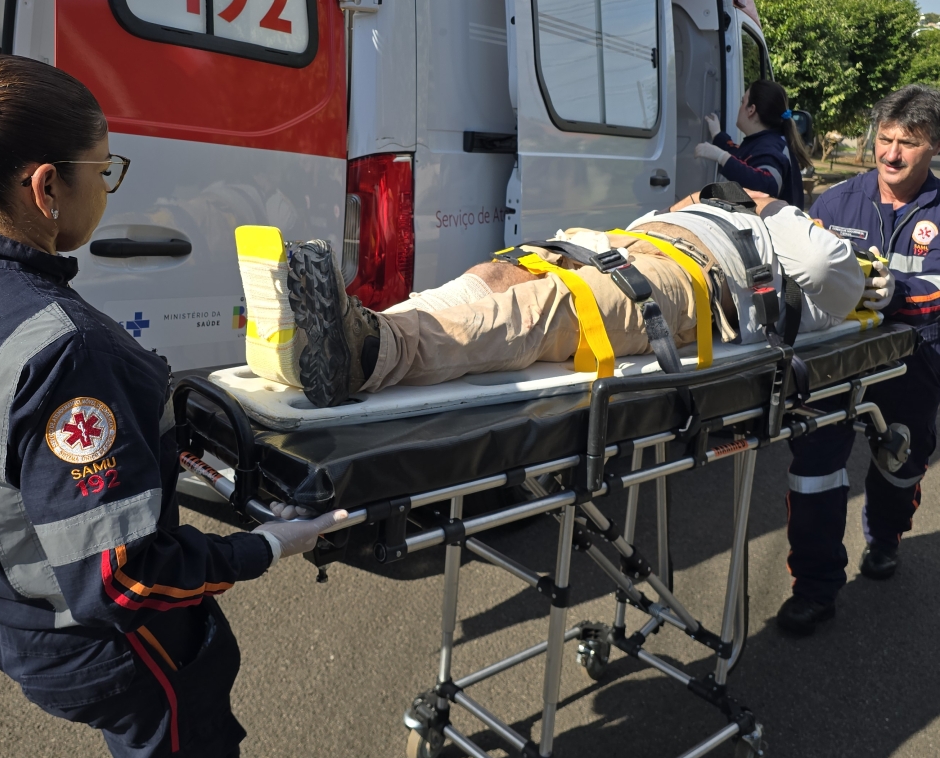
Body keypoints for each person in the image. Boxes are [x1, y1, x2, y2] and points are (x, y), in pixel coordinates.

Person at [0, 46, 345, 758]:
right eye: (104, 171)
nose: (108, 188)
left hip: (9, 607)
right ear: (46, 187)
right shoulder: (66, 350)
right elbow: (124, 580)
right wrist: (266, 547)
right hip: (102, 643)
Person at [236, 183, 867, 408]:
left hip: (694, 281)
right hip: (623, 242)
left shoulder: (806, 243)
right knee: (494, 277)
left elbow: (823, 264)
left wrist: (767, 203)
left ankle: (373, 355)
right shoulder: (747, 214)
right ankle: (339, 334)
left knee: (557, 309)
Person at [778, 84, 940, 635]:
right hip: (834, 363)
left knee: (901, 462)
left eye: (908, 143)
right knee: (815, 472)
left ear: (934, 146)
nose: (891, 154)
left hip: (915, 360)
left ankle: (885, 537)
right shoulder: (834, 202)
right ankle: (815, 587)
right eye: (885, 139)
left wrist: (899, 292)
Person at [695, 80, 809, 209]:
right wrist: (717, 135)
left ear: (751, 110)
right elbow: (740, 156)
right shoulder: (764, 142)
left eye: (742, 102)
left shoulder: (772, 147)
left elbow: (767, 184)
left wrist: (722, 157)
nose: (740, 107)